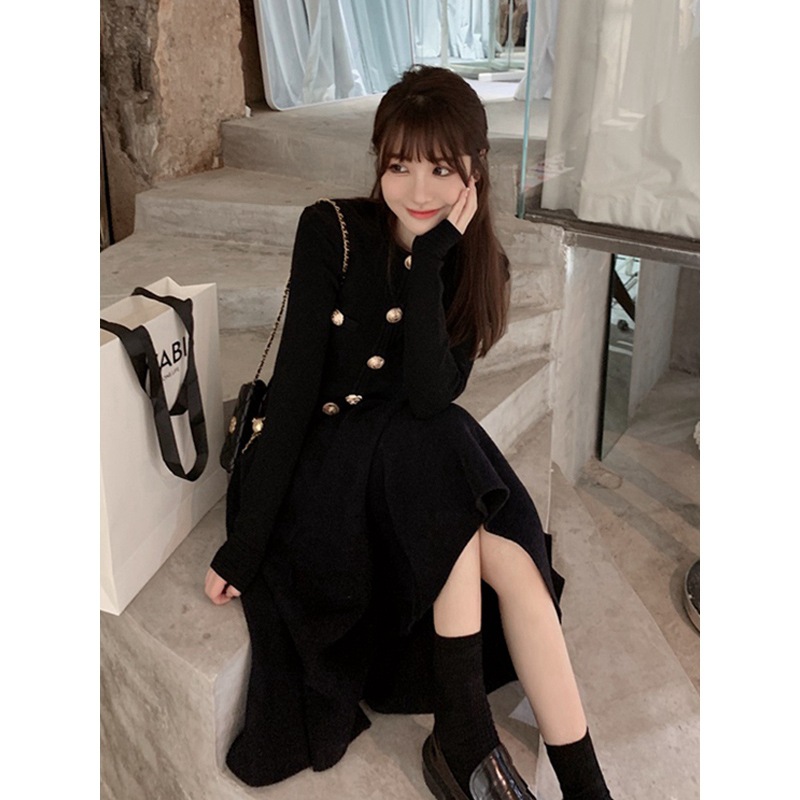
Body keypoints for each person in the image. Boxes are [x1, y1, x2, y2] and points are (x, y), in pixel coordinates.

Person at [204, 65, 613, 800]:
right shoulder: (330, 230)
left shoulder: (478, 266)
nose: (418, 189)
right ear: (379, 164)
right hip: (325, 467)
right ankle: (463, 735)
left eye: (440, 169)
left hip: (411, 465)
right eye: (399, 166)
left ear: (474, 173)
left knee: (511, 557)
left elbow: (427, 395)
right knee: (446, 460)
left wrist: (430, 263)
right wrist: (246, 545)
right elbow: (293, 394)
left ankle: (584, 787)